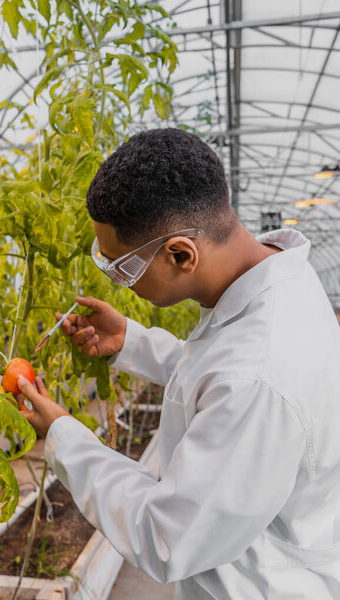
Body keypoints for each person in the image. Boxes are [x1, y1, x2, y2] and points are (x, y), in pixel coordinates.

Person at [17, 128, 340, 599]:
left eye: (121, 267)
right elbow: (216, 381)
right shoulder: (274, 281)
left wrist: (65, 435)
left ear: (181, 253)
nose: (119, 282)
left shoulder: (257, 374)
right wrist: (133, 341)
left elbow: (165, 537)